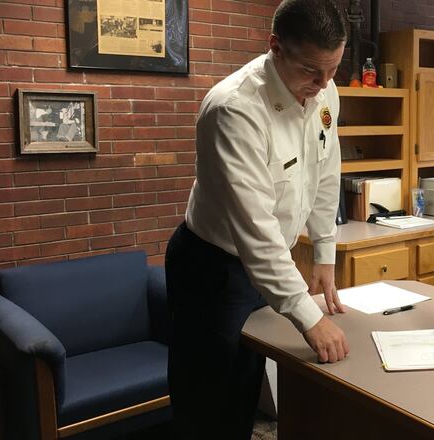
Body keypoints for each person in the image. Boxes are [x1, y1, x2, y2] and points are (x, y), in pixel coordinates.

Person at [164, 0, 349, 438]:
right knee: (207, 401)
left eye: (333, 70)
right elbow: (256, 233)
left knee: (245, 390)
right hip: (213, 269)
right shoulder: (234, 110)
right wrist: (309, 316)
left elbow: (326, 172)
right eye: (311, 71)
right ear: (275, 47)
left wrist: (324, 254)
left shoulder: (323, 91)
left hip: (263, 266)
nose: (323, 84)